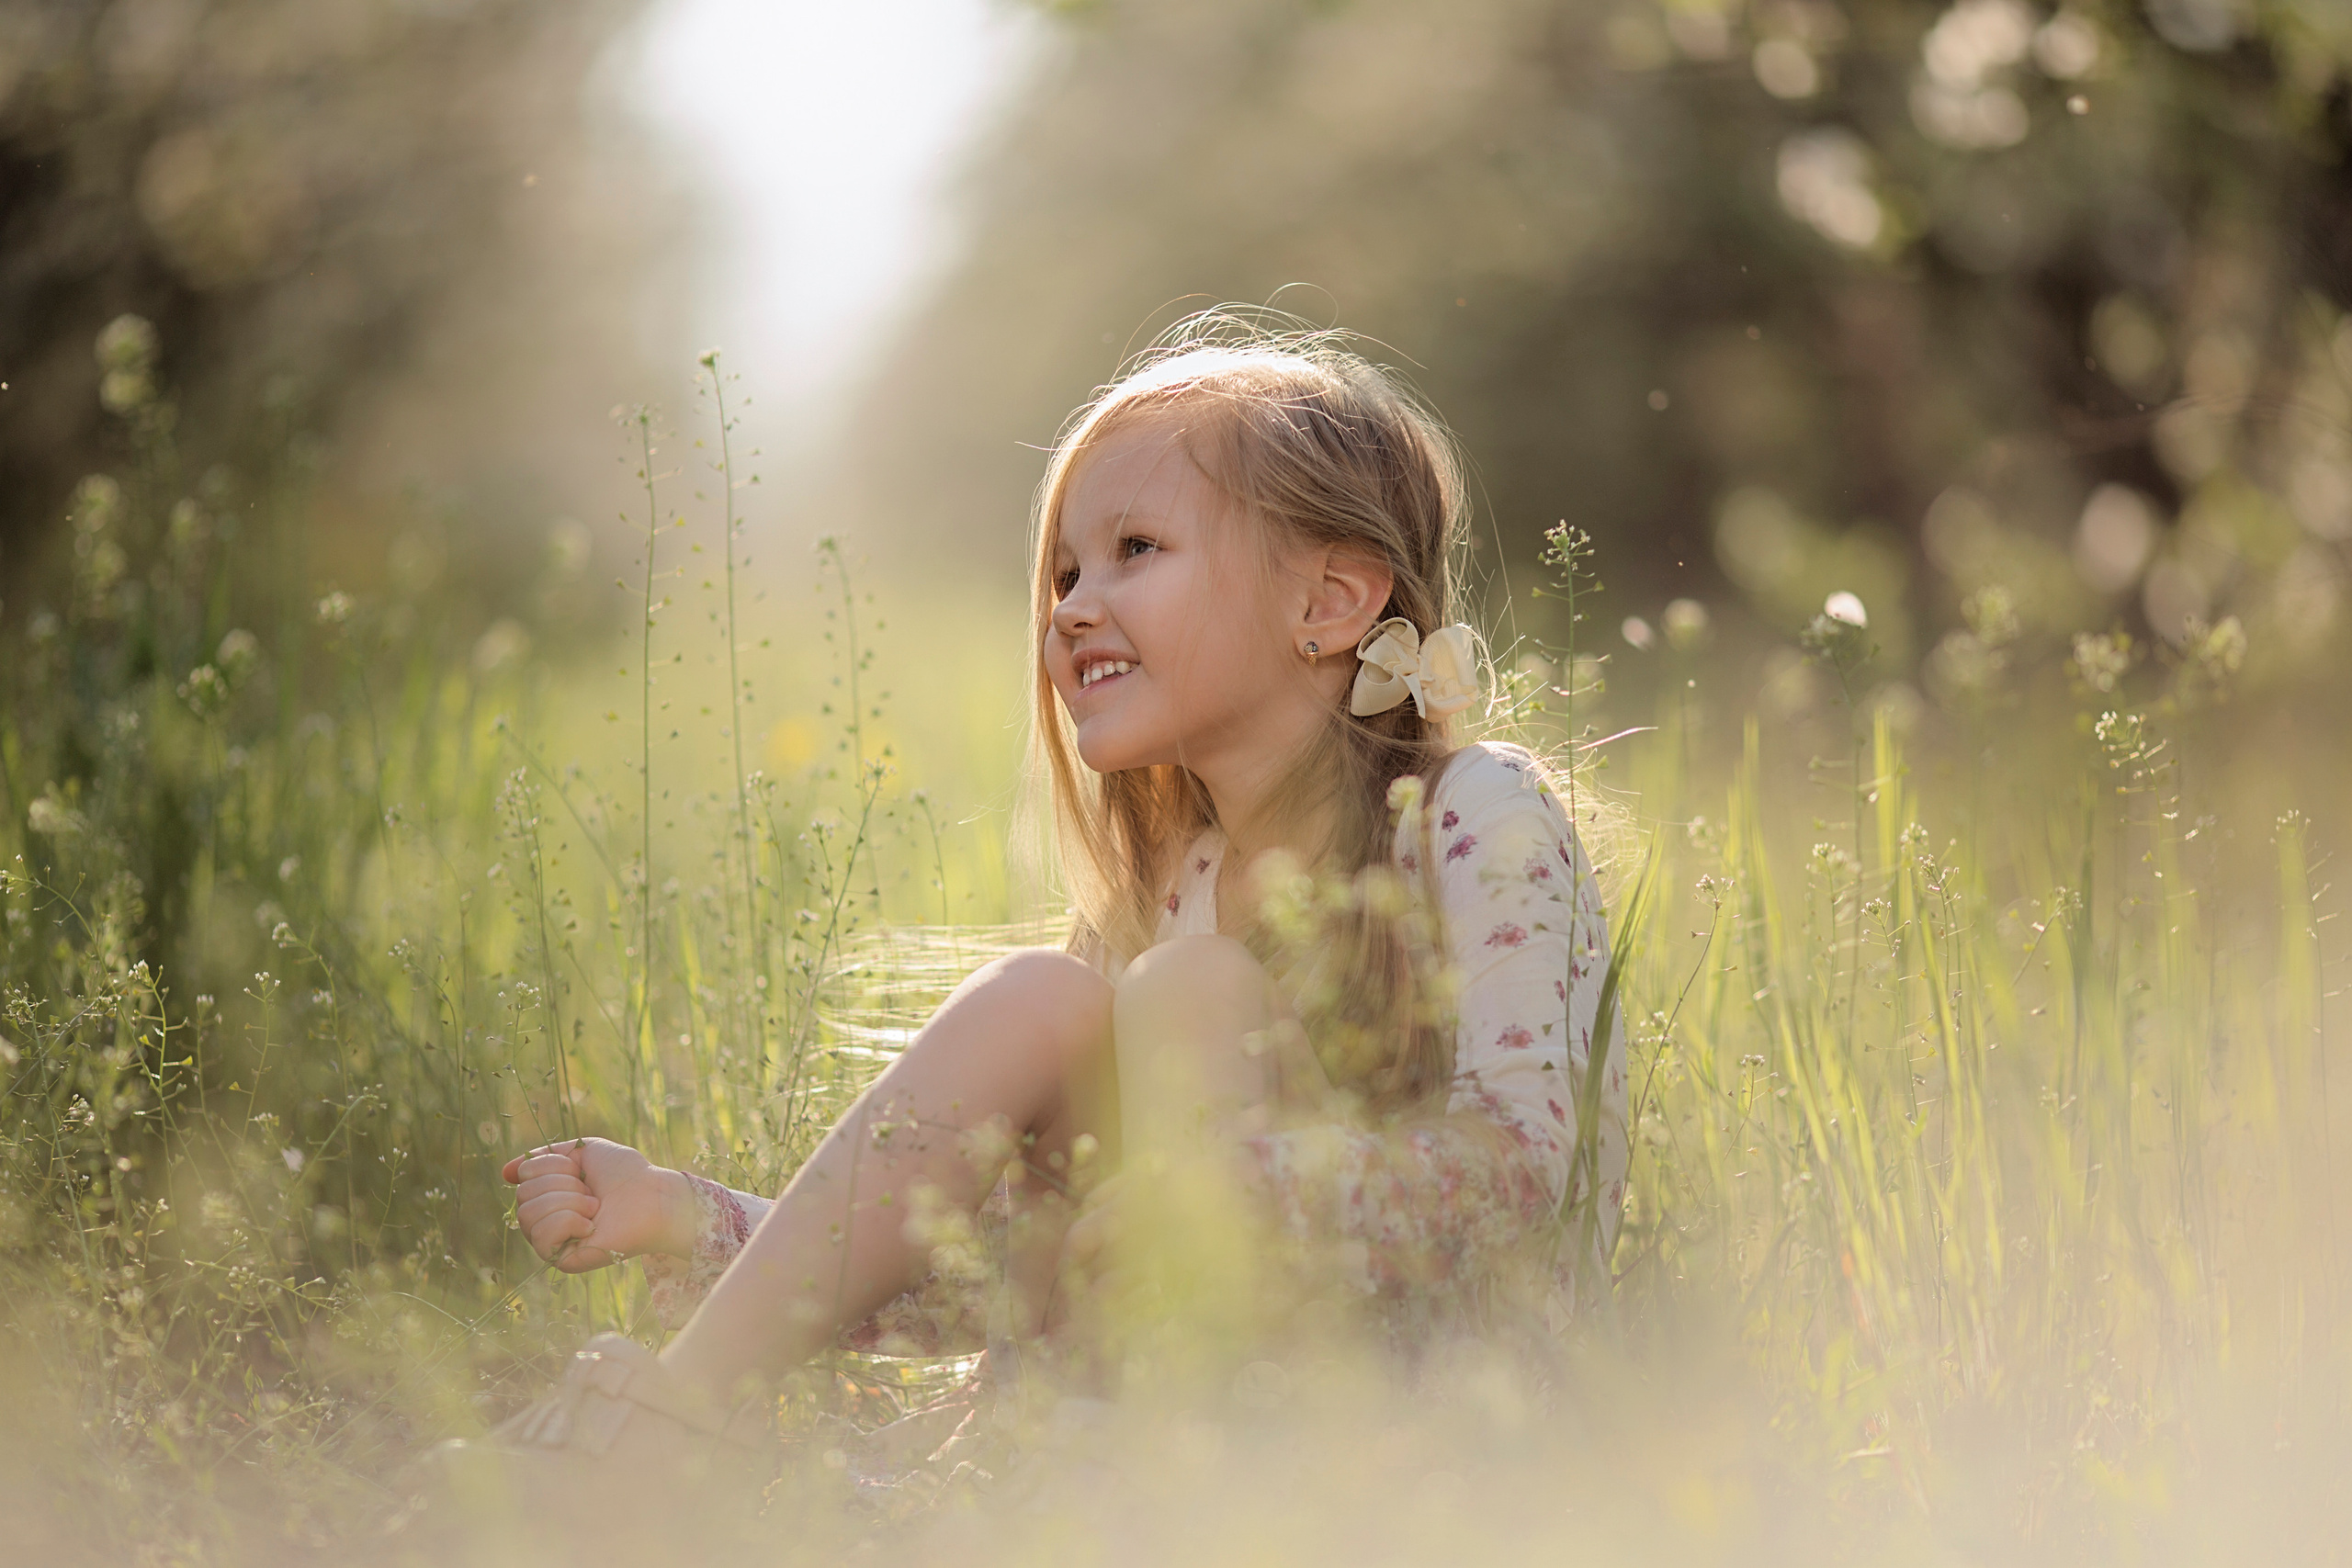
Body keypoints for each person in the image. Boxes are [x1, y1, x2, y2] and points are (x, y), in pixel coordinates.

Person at [480, 315, 1626, 1497]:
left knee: (1189, 990)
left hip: (1421, 1432)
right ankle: (671, 1416)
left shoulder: (1473, 817)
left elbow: (1521, 1166)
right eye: (1067, 571)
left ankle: (1137, 1484)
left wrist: (1247, 1188)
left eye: (1136, 548)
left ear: (1329, 601)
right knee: (1041, 999)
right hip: (1157, 1424)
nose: (1072, 607)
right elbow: (1025, 1278)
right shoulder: (1175, 889)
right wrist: (693, 1218)